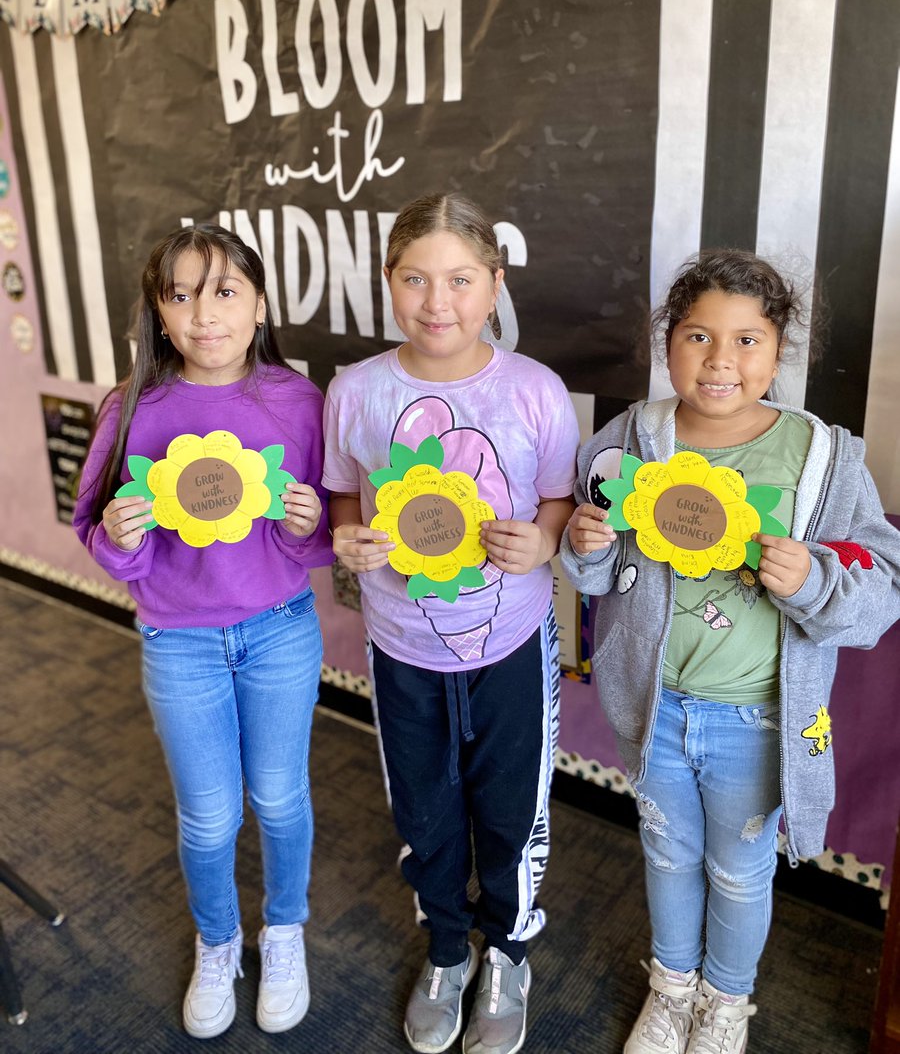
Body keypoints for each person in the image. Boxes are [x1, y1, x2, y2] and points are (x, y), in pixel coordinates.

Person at [560, 248, 900, 1054]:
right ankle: (672, 989)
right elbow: (597, 563)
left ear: (781, 350)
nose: (721, 361)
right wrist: (585, 541)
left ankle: (725, 1003)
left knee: (740, 873)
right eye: (698, 336)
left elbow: (882, 586)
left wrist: (815, 579)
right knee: (668, 857)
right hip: (654, 708)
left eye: (748, 340)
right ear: (666, 342)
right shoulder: (631, 438)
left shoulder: (823, 458)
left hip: (756, 718)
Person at [323, 193, 578, 1054]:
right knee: (425, 809)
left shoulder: (535, 390)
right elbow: (346, 494)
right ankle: (445, 947)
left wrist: (541, 539)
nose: (439, 302)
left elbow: (556, 499)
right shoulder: (355, 390)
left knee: (510, 809)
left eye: (461, 280)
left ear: (495, 284)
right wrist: (347, 540)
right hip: (401, 644)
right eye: (416, 279)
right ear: (387, 282)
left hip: (511, 642)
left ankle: (506, 951)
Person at [74, 225, 333, 1040]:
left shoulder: (298, 401)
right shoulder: (130, 407)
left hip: (281, 631)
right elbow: (97, 534)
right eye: (180, 294)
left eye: (224, 292)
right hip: (176, 642)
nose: (202, 314)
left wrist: (306, 525)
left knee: (281, 797)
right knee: (209, 815)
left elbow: (324, 542)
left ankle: (283, 932)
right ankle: (218, 942)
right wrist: (120, 536)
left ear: (259, 305)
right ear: (158, 309)